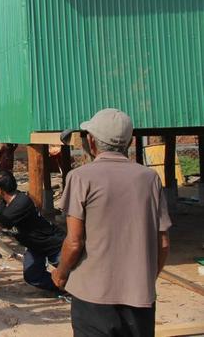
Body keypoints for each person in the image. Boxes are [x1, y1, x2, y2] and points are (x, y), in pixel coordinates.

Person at [51, 108, 172, 337]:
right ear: (128, 141)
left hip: (92, 297)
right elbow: (163, 243)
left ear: (93, 141)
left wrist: (61, 272)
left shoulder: (80, 177)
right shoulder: (149, 179)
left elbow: (74, 242)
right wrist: (142, 279)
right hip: (139, 298)